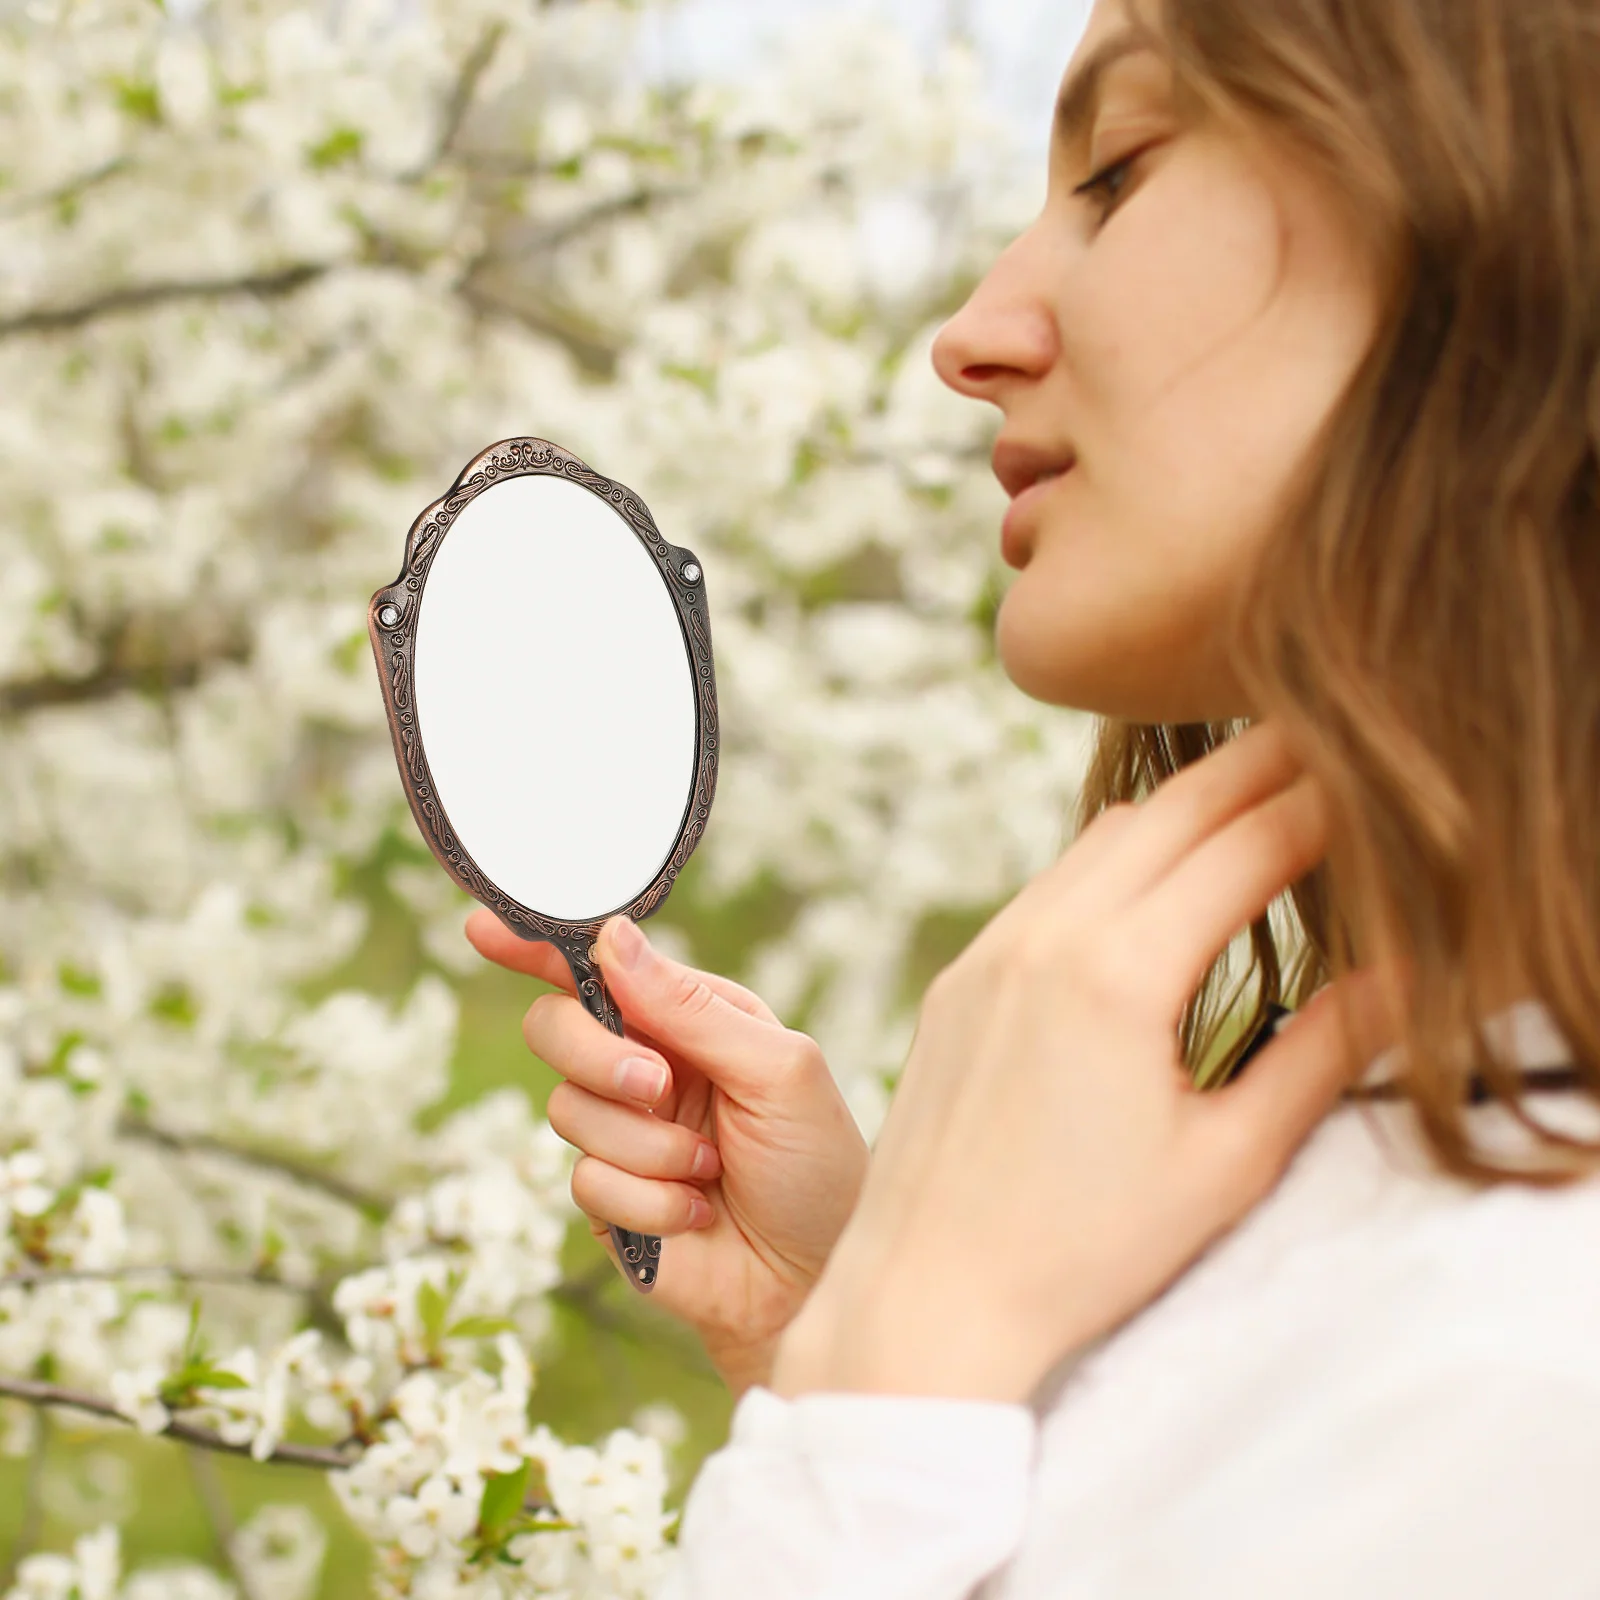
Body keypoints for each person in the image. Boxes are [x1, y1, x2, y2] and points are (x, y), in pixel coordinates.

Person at [466, 0, 1600, 1591]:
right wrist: (850, 1330)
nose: (972, 332)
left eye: (1122, 172)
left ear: (1511, 201)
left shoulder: (1534, 1345)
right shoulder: (1440, 1213)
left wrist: (895, 1377)